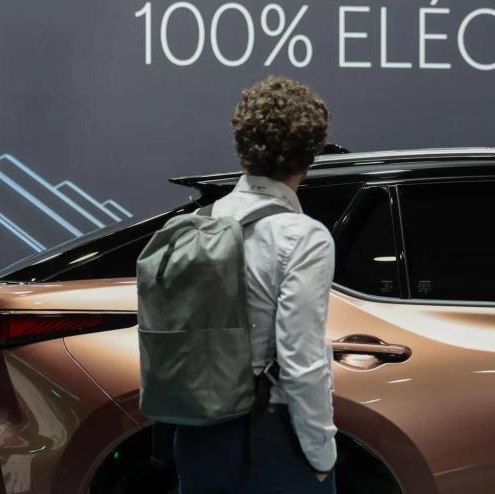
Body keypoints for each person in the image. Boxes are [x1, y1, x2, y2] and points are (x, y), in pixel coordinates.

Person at [173, 76, 337, 493]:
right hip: (268, 437)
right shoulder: (303, 236)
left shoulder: (195, 224)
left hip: (193, 434)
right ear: (311, 153)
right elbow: (301, 361)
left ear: (242, 144)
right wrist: (321, 456)